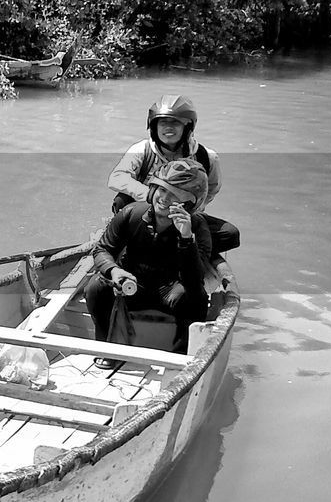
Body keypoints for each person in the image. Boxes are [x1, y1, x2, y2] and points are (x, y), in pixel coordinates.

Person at [85, 159, 212, 358]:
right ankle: (105, 348)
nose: (165, 199)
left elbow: (195, 280)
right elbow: (102, 250)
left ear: (189, 204)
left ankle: (182, 356)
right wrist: (114, 270)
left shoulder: (198, 228)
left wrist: (186, 239)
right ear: (153, 189)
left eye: (175, 196)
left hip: (170, 290)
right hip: (132, 284)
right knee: (96, 287)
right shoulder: (131, 214)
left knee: (196, 298)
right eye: (163, 190)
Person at [107, 94, 240, 267]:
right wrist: (152, 195)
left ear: (188, 127)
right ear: (154, 126)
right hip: (149, 214)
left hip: (183, 214)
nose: (168, 128)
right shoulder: (142, 150)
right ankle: (140, 246)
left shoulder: (207, 157)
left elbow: (211, 189)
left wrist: (192, 210)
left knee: (230, 234)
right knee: (121, 201)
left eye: (175, 123)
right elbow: (116, 178)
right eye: (163, 123)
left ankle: (181, 249)